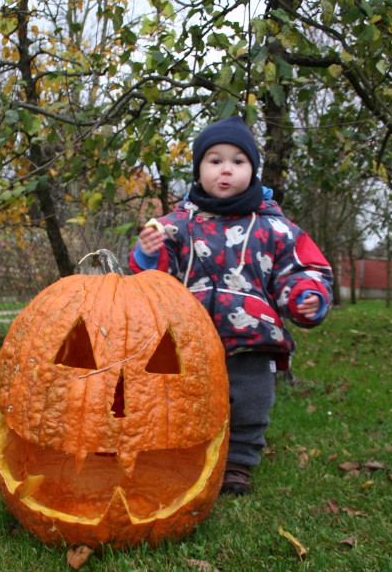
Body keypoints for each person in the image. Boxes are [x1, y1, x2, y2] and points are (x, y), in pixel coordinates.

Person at [129, 115, 333, 496]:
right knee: (184, 400)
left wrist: (307, 295)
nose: (226, 170)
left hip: (252, 336)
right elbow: (152, 283)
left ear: (253, 170)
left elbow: (301, 268)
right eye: (215, 160)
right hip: (189, 337)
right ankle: (184, 451)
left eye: (238, 161)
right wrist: (146, 253)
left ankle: (238, 461)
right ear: (198, 170)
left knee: (250, 400)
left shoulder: (275, 228)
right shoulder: (175, 227)